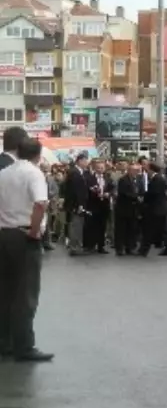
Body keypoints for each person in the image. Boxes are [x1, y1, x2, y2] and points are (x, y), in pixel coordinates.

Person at [0, 137, 53, 362]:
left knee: (5, 291)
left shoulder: (4, 173)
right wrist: (34, 230)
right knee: (26, 293)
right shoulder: (34, 173)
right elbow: (41, 203)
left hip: (4, 234)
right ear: (38, 154)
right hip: (23, 235)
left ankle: (5, 342)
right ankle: (24, 346)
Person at [138, 163, 167, 256]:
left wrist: (144, 198)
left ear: (152, 169)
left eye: (147, 169)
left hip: (155, 209)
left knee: (148, 230)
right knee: (163, 230)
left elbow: (153, 193)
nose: (146, 171)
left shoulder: (157, 179)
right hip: (161, 208)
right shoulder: (159, 178)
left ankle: (144, 250)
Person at [114, 161, 143, 256]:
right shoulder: (123, 180)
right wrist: (136, 197)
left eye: (137, 170)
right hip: (123, 208)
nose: (136, 172)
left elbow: (141, 190)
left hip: (134, 209)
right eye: (134, 170)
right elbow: (124, 193)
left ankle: (130, 247)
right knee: (121, 229)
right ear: (129, 170)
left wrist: (141, 197)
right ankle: (119, 248)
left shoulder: (139, 179)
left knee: (132, 229)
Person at [64, 153, 89, 255]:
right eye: (85, 160)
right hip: (76, 204)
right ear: (80, 161)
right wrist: (79, 204)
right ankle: (74, 247)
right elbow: (76, 190)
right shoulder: (75, 172)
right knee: (76, 225)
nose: (87, 163)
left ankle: (77, 245)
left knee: (78, 225)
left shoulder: (79, 172)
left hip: (78, 203)